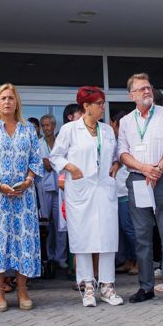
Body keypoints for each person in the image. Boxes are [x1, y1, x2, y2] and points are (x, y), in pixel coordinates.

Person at [49, 86, 123, 307]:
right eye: (99, 103)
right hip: (80, 190)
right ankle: (87, 286)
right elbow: (55, 157)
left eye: (103, 103)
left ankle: (107, 286)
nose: (103, 107)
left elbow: (117, 153)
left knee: (108, 237)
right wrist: (70, 167)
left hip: (104, 189)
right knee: (83, 238)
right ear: (86, 106)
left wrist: (116, 165)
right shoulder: (70, 130)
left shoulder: (107, 131)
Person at [116, 73, 163, 304]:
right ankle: (146, 287)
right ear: (131, 95)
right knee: (142, 236)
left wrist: (158, 169)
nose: (147, 91)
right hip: (138, 180)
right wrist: (145, 169)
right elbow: (122, 152)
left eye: (148, 87)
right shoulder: (126, 121)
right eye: (141, 89)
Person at [0, 84, 43, 311]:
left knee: (23, 241)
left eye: (11, 98)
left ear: (17, 103)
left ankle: (23, 290)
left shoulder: (28, 129)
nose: (7, 102)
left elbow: (36, 158)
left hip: (24, 195)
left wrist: (28, 180)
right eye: (3, 98)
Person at [35, 113, 68, 274]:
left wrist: (50, 161)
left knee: (61, 224)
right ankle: (48, 257)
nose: (46, 128)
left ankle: (60, 258)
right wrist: (45, 162)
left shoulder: (61, 142)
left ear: (54, 126)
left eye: (48, 125)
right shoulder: (38, 143)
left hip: (60, 187)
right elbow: (40, 164)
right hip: (45, 187)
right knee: (46, 226)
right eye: (43, 125)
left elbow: (59, 161)